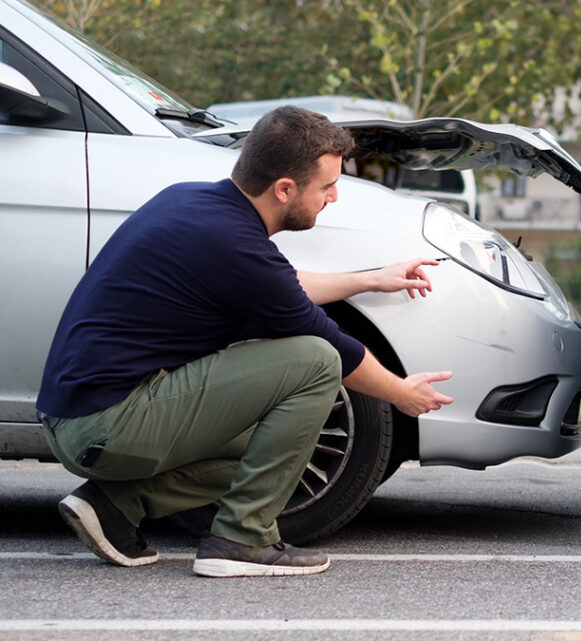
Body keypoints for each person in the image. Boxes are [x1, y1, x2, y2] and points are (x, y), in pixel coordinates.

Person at [36, 105, 453, 578]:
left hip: (81, 418)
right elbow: (331, 343)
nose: (334, 196)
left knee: (279, 444)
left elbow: (281, 284)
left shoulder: (192, 203)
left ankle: (114, 505)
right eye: (327, 186)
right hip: (106, 425)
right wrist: (402, 394)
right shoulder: (235, 246)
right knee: (315, 359)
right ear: (284, 189)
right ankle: (241, 540)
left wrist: (371, 279)